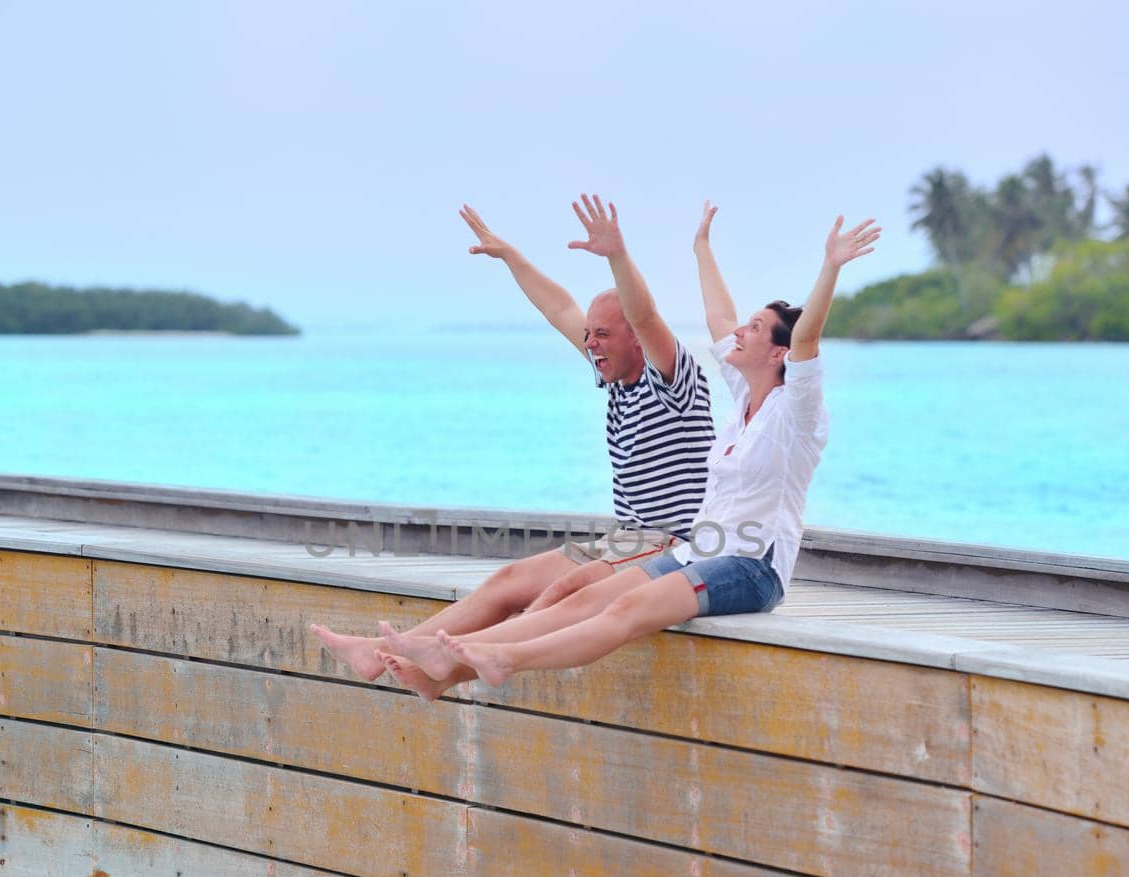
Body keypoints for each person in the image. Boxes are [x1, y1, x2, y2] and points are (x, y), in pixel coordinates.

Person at [377, 198, 879, 698]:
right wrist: (701, 247)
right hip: (696, 553)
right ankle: (447, 661)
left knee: (618, 610)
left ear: (778, 352)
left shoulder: (797, 410)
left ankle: (497, 658)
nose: (737, 332)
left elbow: (803, 335)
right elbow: (715, 314)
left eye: (753, 328)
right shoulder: (742, 396)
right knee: (582, 601)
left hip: (750, 566)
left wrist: (830, 267)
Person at [310, 199, 717, 682]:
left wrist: (617, 257)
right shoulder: (611, 375)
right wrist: (511, 258)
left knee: (555, 601)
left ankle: (421, 664)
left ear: (636, 339)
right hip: (626, 541)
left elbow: (646, 314)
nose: (590, 344)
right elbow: (558, 306)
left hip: (673, 545)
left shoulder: (673, 380)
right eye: (589, 335)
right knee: (508, 582)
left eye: (602, 334)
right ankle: (390, 657)